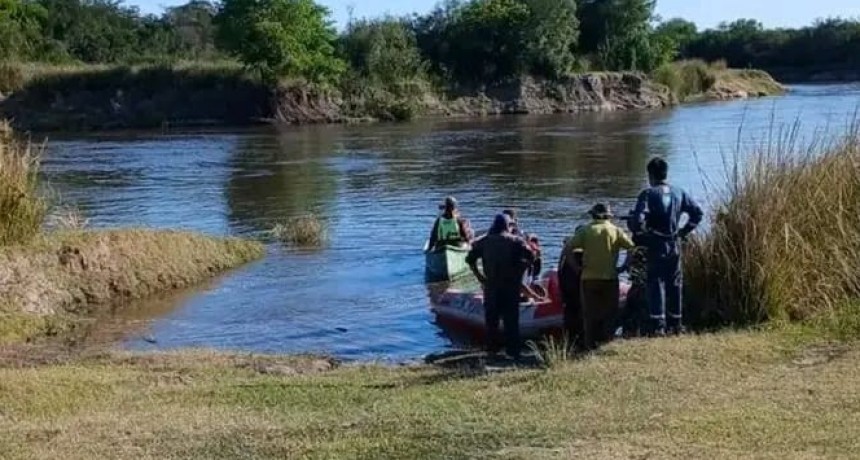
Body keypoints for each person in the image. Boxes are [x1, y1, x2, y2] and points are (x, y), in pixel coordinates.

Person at [629, 157, 704, 336]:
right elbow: (697, 213)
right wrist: (684, 231)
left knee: (656, 282)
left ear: (650, 175)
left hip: (656, 244)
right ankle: (676, 323)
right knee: (675, 282)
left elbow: (637, 222)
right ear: (665, 173)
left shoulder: (648, 194)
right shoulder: (679, 192)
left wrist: (642, 231)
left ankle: (658, 325)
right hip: (674, 244)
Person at [563, 203, 634, 350]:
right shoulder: (616, 230)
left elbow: (568, 248)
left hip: (589, 278)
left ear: (593, 215)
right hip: (610, 278)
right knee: (610, 314)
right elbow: (632, 248)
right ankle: (607, 344)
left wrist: (576, 268)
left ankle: (590, 346)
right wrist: (624, 266)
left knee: (589, 315)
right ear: (609, 216)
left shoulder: (586, 230)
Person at [466, 213, 535, 359]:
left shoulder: (484, 241)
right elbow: (531, 256)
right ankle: (513, 352)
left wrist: (479, 277)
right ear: (507, 226)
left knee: (492, 322)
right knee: (511, 321)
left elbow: (470, 259)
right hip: (510, 286)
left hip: (491, 285)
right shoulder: (516, 241)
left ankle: (492, 351)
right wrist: (519, 271)